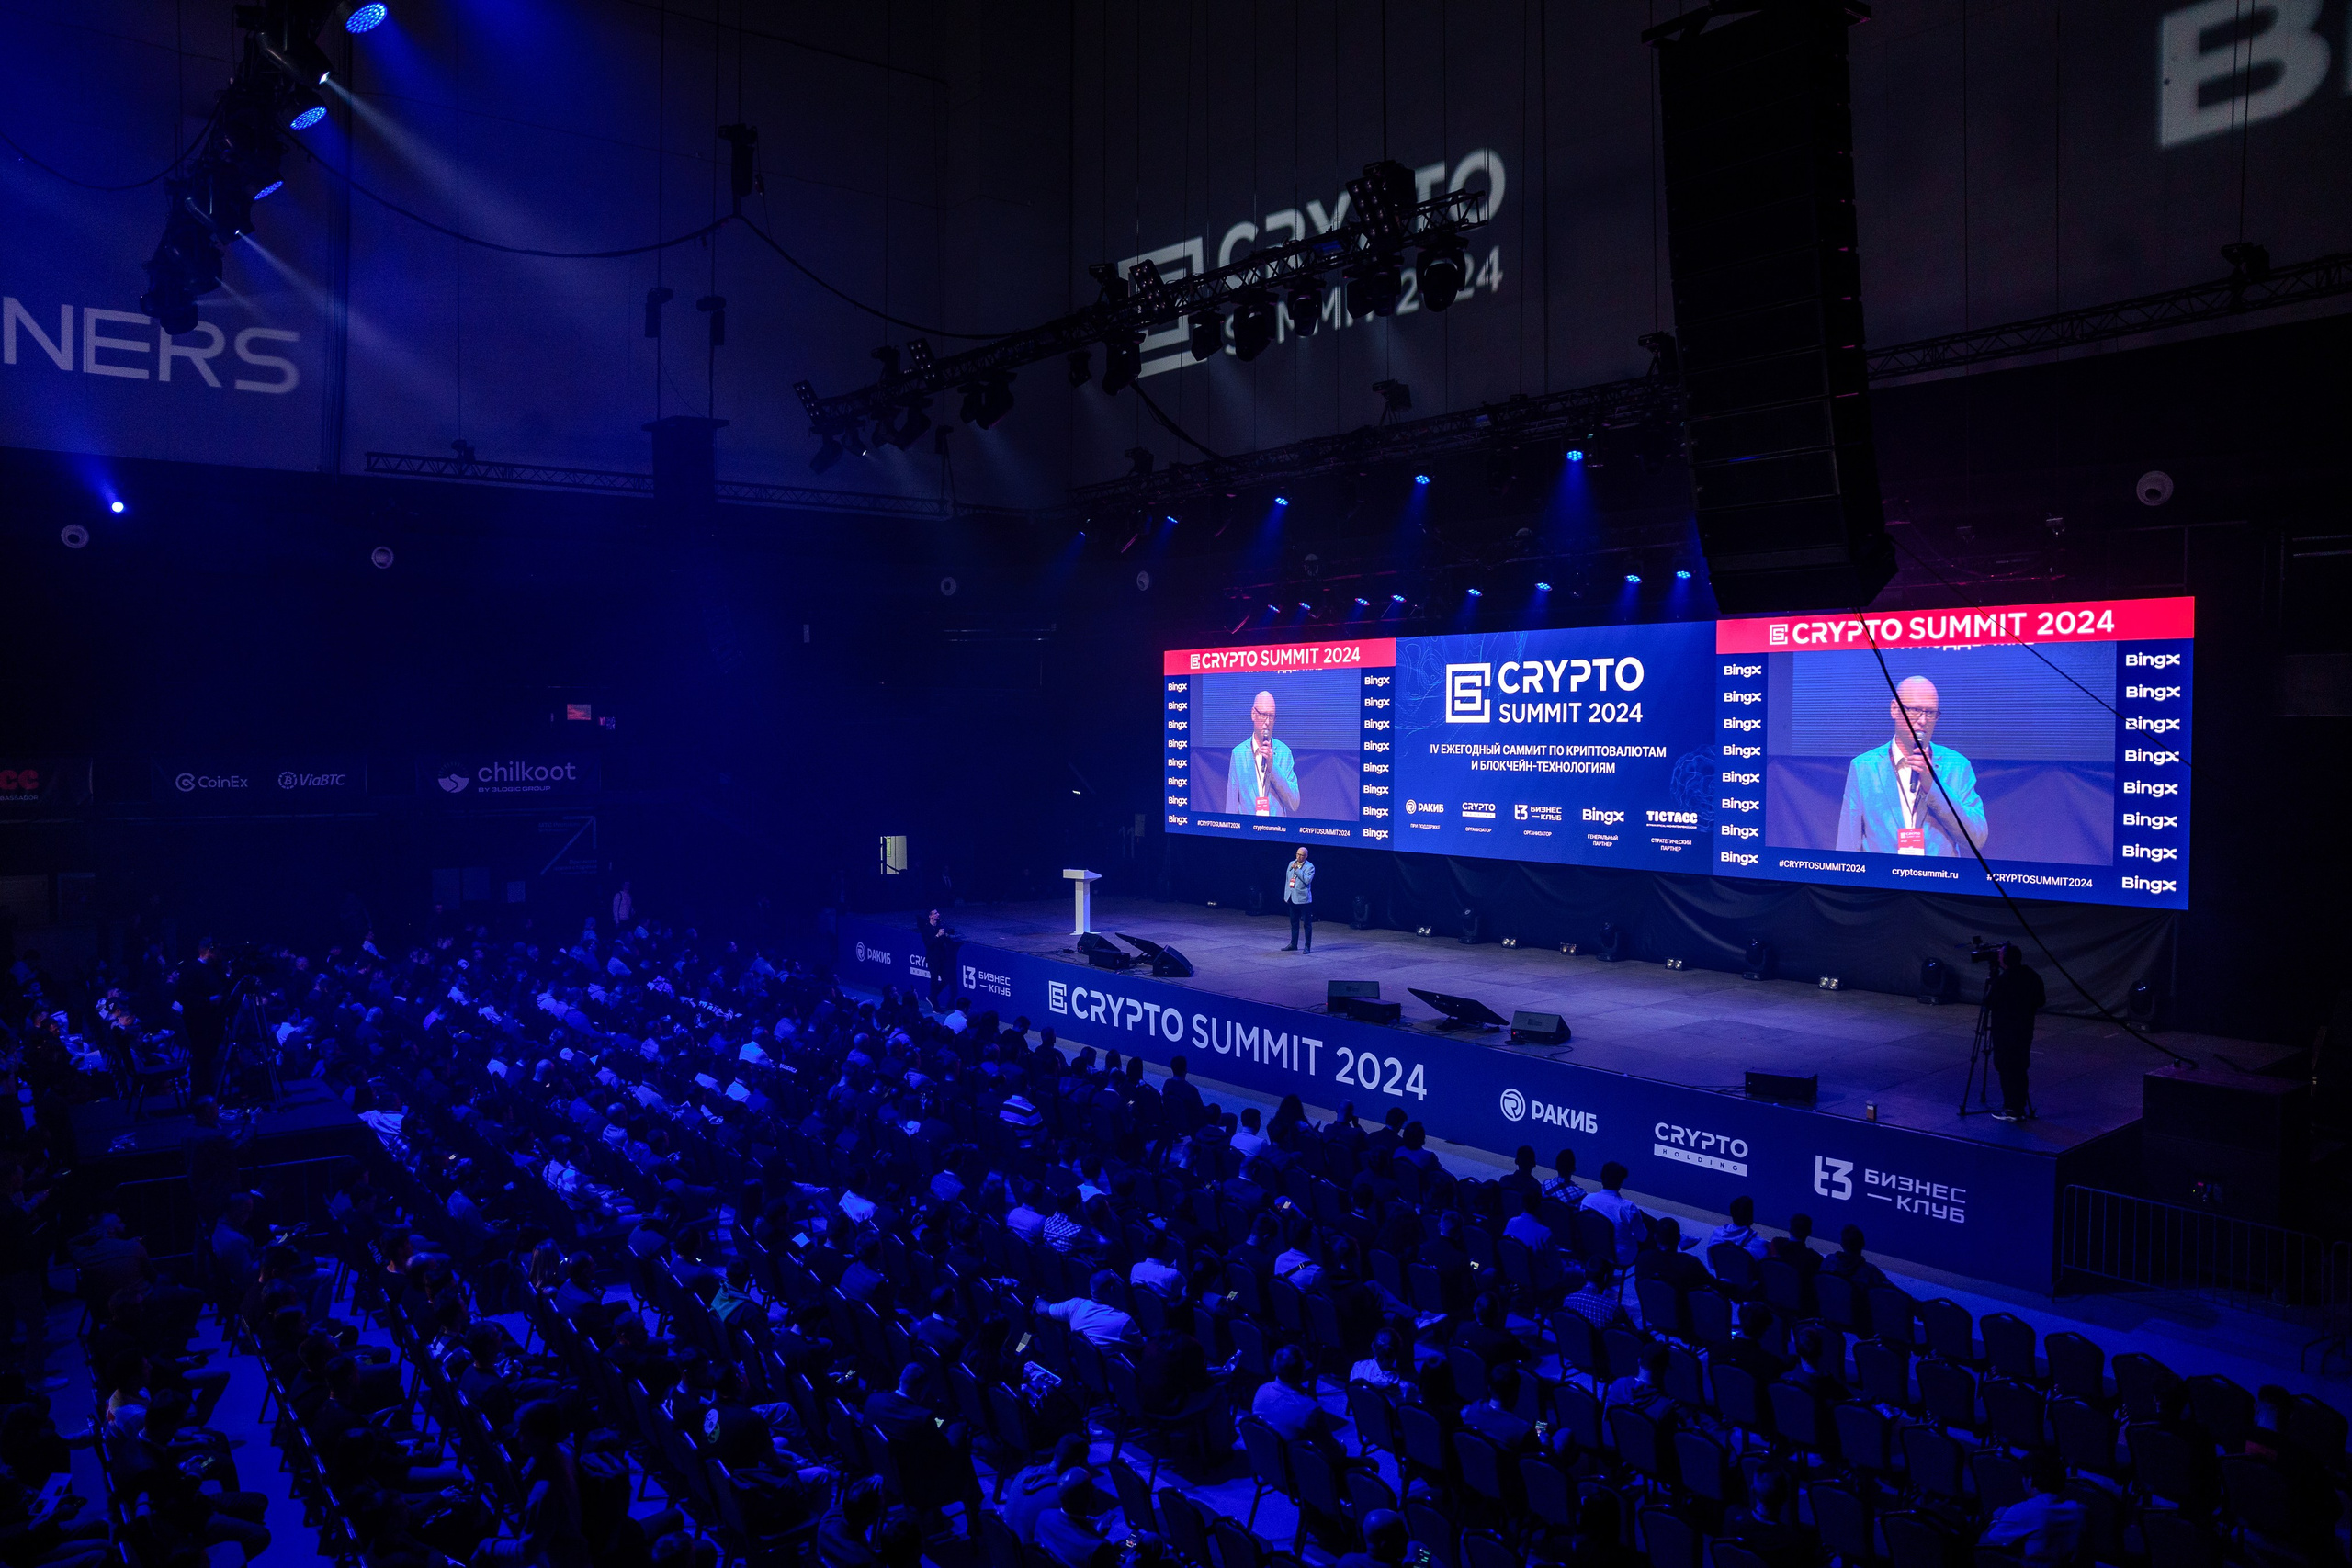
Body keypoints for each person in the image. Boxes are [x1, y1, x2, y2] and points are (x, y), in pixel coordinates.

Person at [1834, 674, 1989, 857]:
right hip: (1882, 880)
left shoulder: (1957, 766)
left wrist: (1933, 786)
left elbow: (1976, 838)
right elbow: (1847, 845)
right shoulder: (1864, 768)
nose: (1922, 720)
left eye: (1930, 713)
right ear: (1894, 709)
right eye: (1914, 710)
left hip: (1937, 880)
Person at [1978, 1452, 2085, 1568]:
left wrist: (1996, 1520)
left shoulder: (2022, 1511)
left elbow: (1984, 1545)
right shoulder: (2081, 1511)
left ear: (2030, 1480)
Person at [1984, 942, 2045, 1122]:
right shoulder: (2033, 976)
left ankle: (2012, 1109)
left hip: (2004, 1033)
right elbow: (2040, 1001)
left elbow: (1988, 1003)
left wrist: (1993, 978)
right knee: (2020, 1067)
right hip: (2025, 1030)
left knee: (2006, 1068)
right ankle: (2017, 1106)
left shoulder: (2003, 981)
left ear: (2004, 960)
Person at [1224, 690, 1300, 818]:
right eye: (1264, 715)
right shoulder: (1238, 754)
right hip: (1247, 832)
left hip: (1275, 832)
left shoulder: (1284, 752)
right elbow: (1231, 806)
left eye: (1271, 716)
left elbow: (1294, 803)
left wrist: (1273, 767)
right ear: (1253, 714)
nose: (1267, 722)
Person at [1280, 846, 1316, 953]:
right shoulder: (1291, 863)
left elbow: (1307, 880)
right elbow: (1288, 880)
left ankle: (1307, 946)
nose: (1298, 857)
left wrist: (1297, 870)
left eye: (1301, 855)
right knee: (1294, 922)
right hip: (1292, 897)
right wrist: (1286, 895)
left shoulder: (1310, 867)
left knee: (1306, 923)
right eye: (1297, 854)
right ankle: (1293, 944)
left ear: (1306, 856)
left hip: (1303, 899)